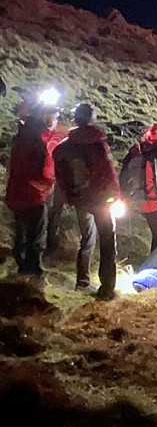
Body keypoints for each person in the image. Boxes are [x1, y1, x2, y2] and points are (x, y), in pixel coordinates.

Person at [52, 103, 120, 300]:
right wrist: (115, 196)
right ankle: (106, 288)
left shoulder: (64, 147)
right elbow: (109, 172)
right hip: (101, 201)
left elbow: (60, 176)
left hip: (80, 199)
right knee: (108, 242)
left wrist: (70, 196)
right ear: (91, 118)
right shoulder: (98, 144)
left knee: (86, 239)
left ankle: (82, 281)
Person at [4, 100, 61, 277]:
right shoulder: (36, 139)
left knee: (21, 235)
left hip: (17, 193)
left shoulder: (22, 135)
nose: (56, 120)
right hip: (34, 194)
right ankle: (32, 274)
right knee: (35, 237)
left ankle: (20, 270)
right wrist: (49, 183)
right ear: (46, 118)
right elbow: (40, 169)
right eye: (55, 117)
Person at [121, 122, 157, 270]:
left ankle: (155, 265)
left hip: (145, 201)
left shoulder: (145, 150)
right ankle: (148, 268)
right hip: (155, 202)